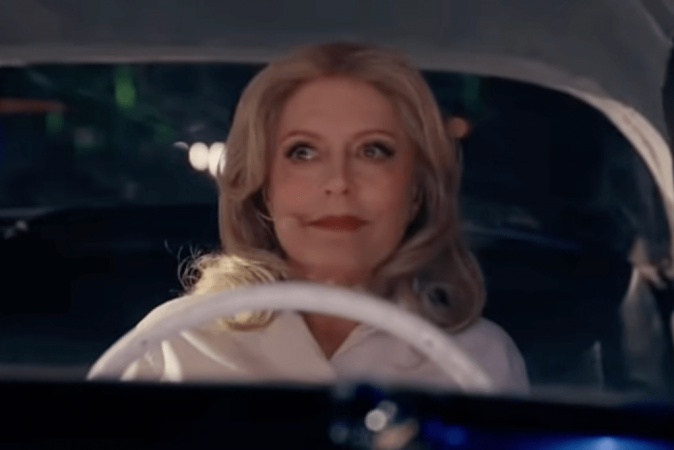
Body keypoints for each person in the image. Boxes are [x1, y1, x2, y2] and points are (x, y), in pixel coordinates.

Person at [92, 42, 529, 392]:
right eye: (303, 152)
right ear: (264, 187)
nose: (338, 182)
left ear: (416, 190)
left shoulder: (482, 358)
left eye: (372, 150)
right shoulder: (173, 341)